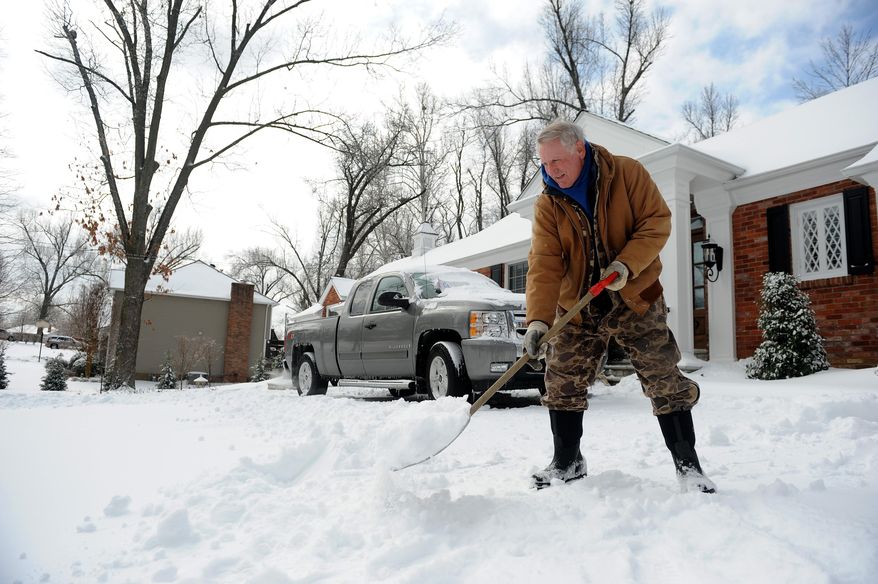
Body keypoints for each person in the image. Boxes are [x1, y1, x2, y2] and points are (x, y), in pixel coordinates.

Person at [524, 118, 715, 493]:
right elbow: (544, 263)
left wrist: (626, 264)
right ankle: (567, 462)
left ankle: (688, 467)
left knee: (663, 375)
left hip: (635, 296)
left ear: (580, 149)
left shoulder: (627, 173)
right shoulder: (548, 203)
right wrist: (538, 321)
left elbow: (656, 222)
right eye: (544, 164)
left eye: (558, 161)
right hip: (579, 305)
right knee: (562, 378)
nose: (552, 171)